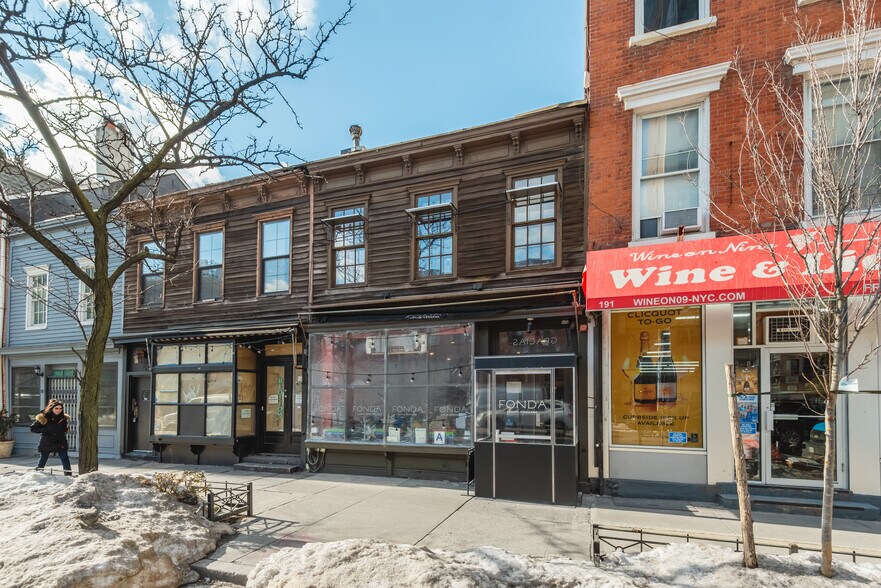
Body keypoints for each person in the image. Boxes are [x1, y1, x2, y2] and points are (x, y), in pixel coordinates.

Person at [30, 399, 72, 475]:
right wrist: (46, 430)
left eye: (60, 408)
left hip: (60, 440)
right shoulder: (44, 417)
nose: (58, 410)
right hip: (47, 440)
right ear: (51, 408)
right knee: (44, 458)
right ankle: (37, 474)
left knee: (65, 458)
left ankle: (68, 475)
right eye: (56, 408)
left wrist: (65, 429)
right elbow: (33, 428)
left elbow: (63, 429)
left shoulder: (63, 418)